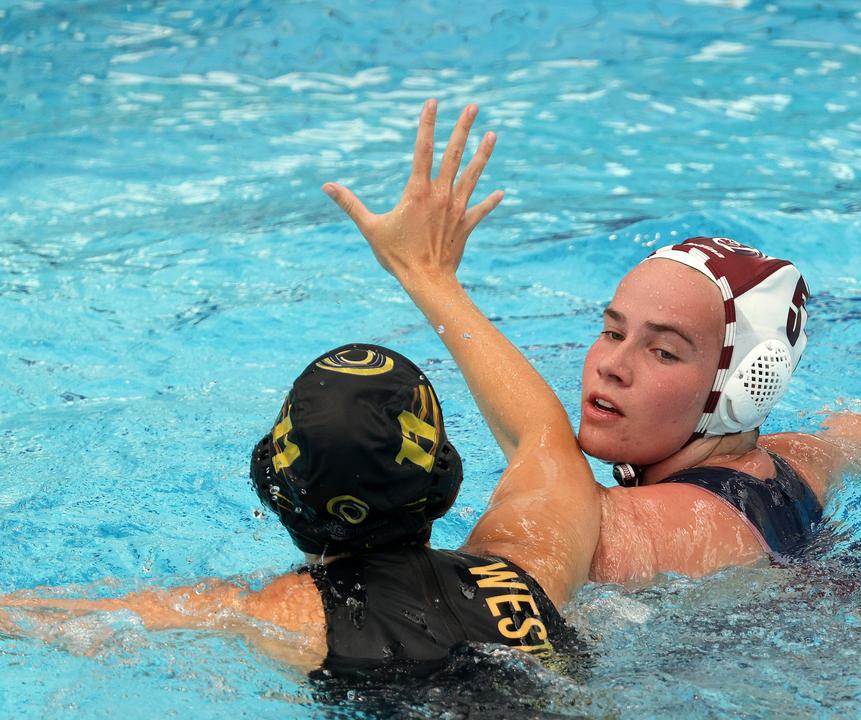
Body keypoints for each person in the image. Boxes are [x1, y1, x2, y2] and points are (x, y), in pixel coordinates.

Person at [324, 100, 861, 585]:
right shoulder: (801, 464)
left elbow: (535, 482)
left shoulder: (664, 527)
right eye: (612, 330)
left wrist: (429, 278)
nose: (611, 367)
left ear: (737, 386)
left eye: (663, 350)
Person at [0, 104, 604, 674]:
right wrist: (429, 275)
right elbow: (542, 439)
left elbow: (57, 619)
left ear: (276, 491)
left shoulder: (284, 613)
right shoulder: (523, 570)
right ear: (443, 480)